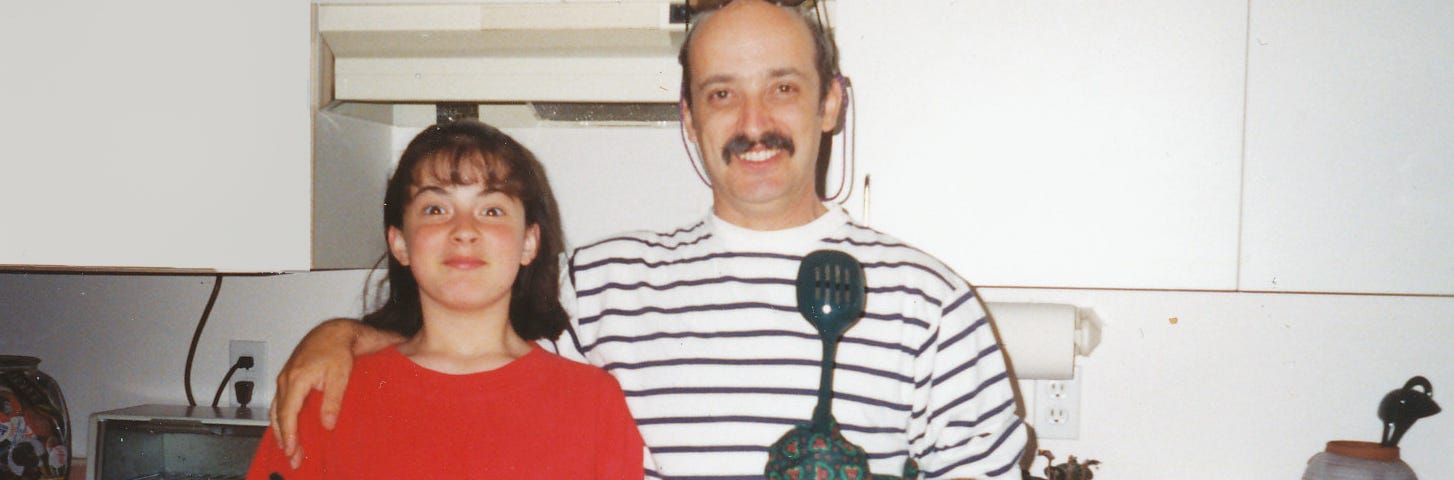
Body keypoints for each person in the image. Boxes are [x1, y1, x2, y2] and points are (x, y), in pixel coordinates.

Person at [271, 1, 1029, 478]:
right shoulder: (601, 285)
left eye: (784, 87)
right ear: (690, 119)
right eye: (721, 93)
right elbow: (460, 337)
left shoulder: (926, 300)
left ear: (830, 103)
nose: (753, 121)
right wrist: (342, 335)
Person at [247, 120, 645, 479]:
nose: (464, 230)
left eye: (491, 210)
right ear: (400, 242)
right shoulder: (326, 393)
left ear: (529, 242)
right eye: (436, 208)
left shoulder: (592, 404)